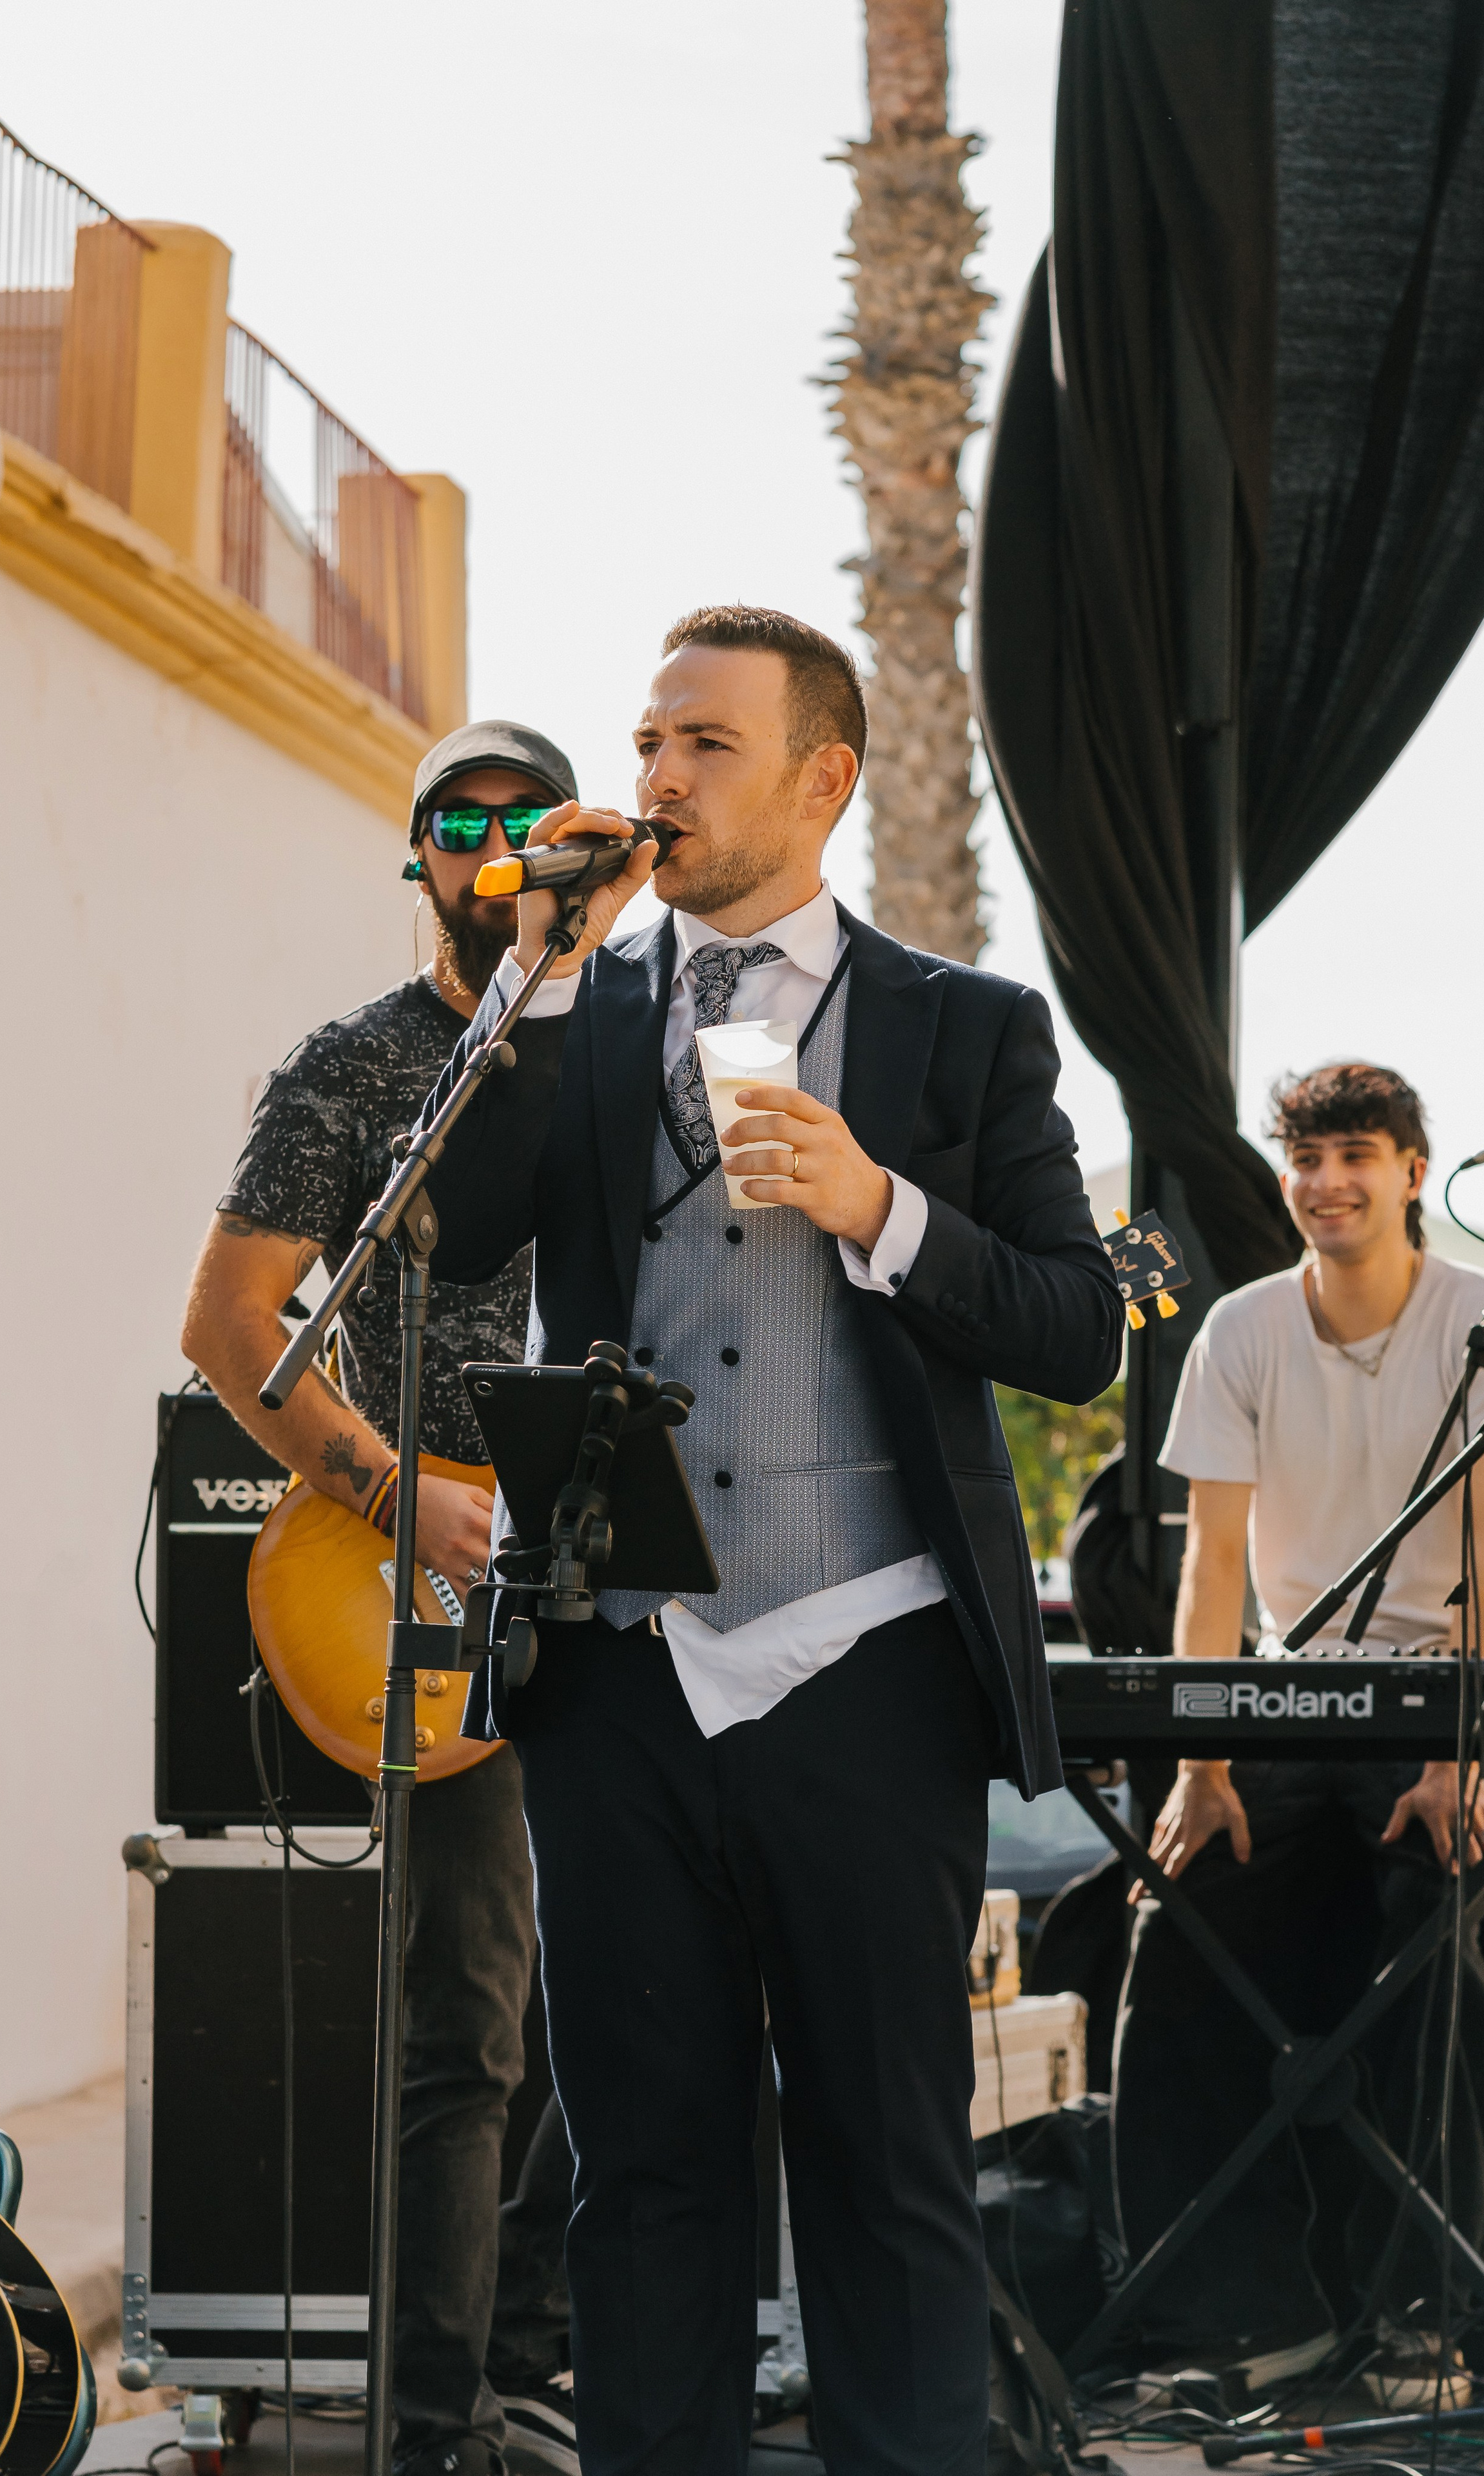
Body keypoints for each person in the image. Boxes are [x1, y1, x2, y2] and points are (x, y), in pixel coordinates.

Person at [417, 605, 1123, 2475]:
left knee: (889, 2172)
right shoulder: (581, 999)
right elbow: (466, 1226)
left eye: (703, 744)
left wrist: (881, 1203)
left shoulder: (961, 1030)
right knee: (645, 2183)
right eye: (648, 739)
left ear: (824, 775)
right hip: (618, 1668)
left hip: (869, 1659)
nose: (653, 776)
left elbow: (1074, 1326)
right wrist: (540, 975)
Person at [181, 720, 581, 2476]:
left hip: (619, 1566)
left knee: (631, 1994)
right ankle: (439, 2429)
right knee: (469, 2019)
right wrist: (392, 1488)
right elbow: (225, 1326)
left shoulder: (639, 1053)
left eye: (523, 824)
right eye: (458, 824)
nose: (492, 850)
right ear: (415, 853)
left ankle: (543, 2356)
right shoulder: (355, 1070)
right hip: (420, 1583)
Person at [1113, 1061, 1484, 2400]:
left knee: (1431, 1923)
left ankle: (1428, 2306)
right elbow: (1211, 1565)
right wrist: (1199, 1762)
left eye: (1353, 1154)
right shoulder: (1236, 1330)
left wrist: (1449, 1763)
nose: (1324, 1183)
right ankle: (1236, 2315)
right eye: (1303, 1159)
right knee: (1174, 1925)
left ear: (1414, 1171)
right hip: (1293, 1688)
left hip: (1456, 1694)